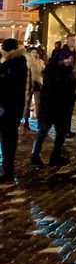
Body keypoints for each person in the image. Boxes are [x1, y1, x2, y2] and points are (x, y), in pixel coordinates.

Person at [31, 50, 76, 167]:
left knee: (60, 133)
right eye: (68, 58)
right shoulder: (52, 71)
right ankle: (35, 156)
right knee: (44, 132)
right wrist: (73, 90)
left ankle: (55, 156)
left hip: (61, 108)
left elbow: (72, 84)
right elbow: (58, 88)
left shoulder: (67, 71)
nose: (70, 61)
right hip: (52, 107)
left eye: (71, 59)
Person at [0, 38, 28, 182]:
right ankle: (7, 171)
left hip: (8, 108)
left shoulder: (13, 64)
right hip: (14, 108)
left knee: (8, 140)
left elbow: (5, 86)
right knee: (8, 139)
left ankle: (7, 173)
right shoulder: (20, 62)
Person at [59, 33, 76, 137]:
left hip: (75, 84)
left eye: (75, 40)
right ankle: (63, 129)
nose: (73, 42)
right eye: (71, 40)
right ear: (67, 40)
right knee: (65, 108)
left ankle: (67, 129)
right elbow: (57, 66)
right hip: (65, 84)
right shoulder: (62, 52)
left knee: (70, 108)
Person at [23, 46, 45, 130]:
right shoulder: (26, 61)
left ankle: (39, 121)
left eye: (35, 52)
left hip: (38, 84)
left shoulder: (41, 62)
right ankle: (26, 121)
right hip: (29, 84)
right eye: (32, 52)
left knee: (38, 103)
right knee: (27, 104)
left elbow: (43, 71)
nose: (34, 54)